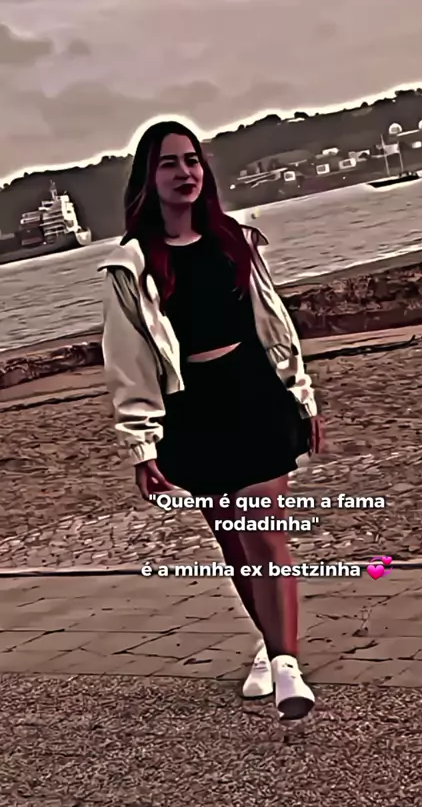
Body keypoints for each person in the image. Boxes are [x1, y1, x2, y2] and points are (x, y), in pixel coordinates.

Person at [99, 120, 325, 720]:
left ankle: (287, 666)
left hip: (254, 394)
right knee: (233, 543)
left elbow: (276, 326)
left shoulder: (235, 240)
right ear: (148, 178)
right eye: (169, 163)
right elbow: (128, 361)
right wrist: (142, 445)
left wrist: (302, 396)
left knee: (264, 534)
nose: (185, 172)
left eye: (192, 160)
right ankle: (271, 646)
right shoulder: (132, 265)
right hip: (191, 412)